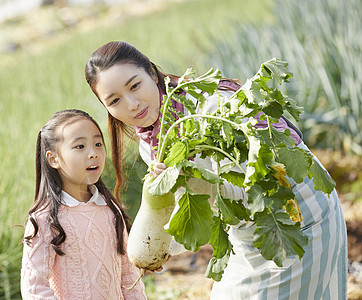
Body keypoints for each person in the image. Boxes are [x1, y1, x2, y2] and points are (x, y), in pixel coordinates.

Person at [84, 41, 348, 299]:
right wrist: (158, 244)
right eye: (115, 100)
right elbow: (192, 215)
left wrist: (201, 185)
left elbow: (266, 184)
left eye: (135, 86)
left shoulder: (213, 109)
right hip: (246, 236)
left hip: (296, 221)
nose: (131, 104)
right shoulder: (152, 143)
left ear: (152, 74)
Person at [20, 109, 147, 299]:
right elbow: (34, 288)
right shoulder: (45, 218)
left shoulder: (110, 210)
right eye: (80, 146)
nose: (93, 153)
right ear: (53, 158)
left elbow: (128, 277)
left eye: (98, 144)